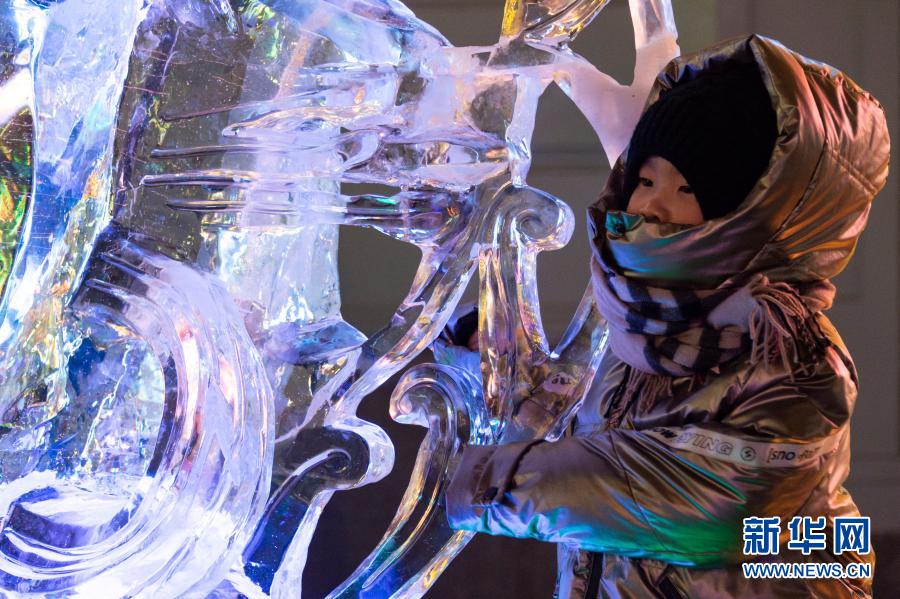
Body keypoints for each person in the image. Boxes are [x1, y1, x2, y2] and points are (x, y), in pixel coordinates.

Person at [445, 34, 890, 598]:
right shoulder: (642, 324)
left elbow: (714, 504)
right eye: (647, 180)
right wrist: (488, 353)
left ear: (749, 213)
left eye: (686, 188)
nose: (653, 204)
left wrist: (493, 484)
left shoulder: (789, 349)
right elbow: (582, 428)